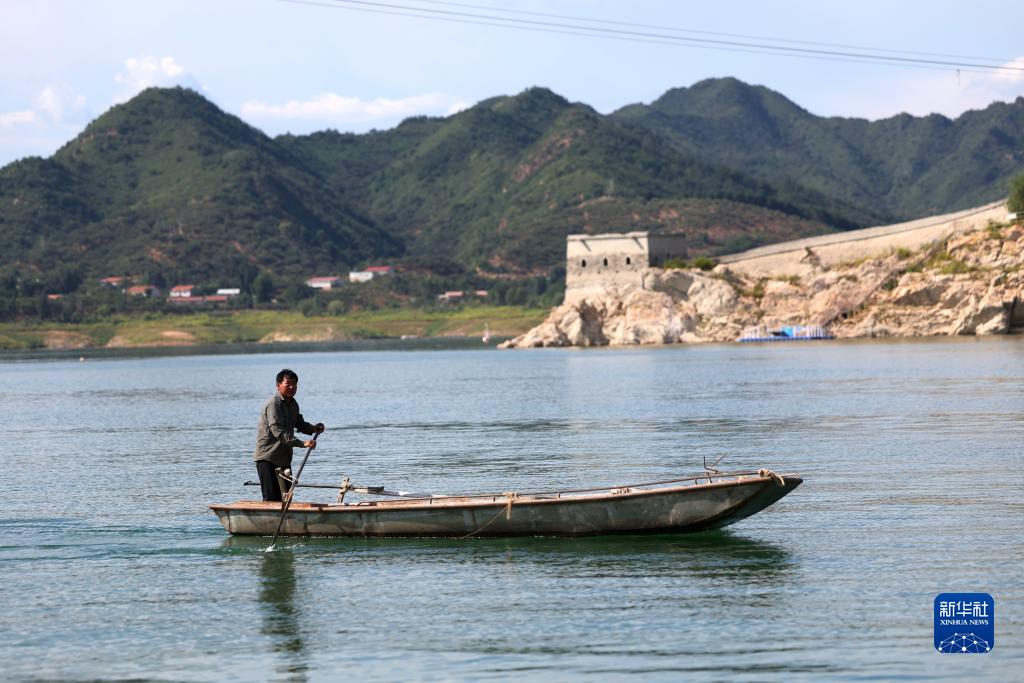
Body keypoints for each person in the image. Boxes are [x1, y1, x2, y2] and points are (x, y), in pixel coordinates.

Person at [254, 369, 325, 502]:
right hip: (268, 458)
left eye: (295, 384)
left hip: (284, 460)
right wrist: (302, 443)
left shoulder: (293, 404)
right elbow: (278, 431)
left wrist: (313, 428)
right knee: (271, 500)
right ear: (278, 385)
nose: (292, 387)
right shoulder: (273, 404)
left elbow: (299, 423)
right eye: (288, 384)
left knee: (287, 499)